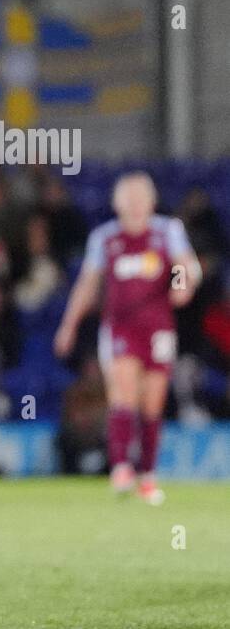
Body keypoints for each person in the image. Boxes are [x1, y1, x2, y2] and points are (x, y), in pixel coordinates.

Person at [54, 172, 202, 504]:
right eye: (129, 200)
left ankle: (147, 476)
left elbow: (187, 267)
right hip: (120, 329)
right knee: (123, 393)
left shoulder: (168, 231)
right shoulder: (105, 238)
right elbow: (87, 284)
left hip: (158, 329)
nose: (135, 206)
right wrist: (69, 325)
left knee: (152, 405)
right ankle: (121, 467)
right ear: (118, 204)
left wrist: (183, 283)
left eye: (141, 199)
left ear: (151, 202)